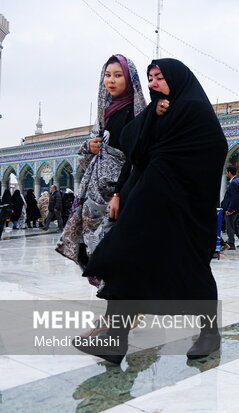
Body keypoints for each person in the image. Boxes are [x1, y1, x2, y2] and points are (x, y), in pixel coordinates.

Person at [78, 58, 228, 363]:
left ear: (176, 78)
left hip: (182, 210)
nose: (153, 83)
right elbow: (134, 145)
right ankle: (116, 340)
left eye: (159, 77)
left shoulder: (194, 110)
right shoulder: (157, 110)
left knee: (192, 269)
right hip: (147, 204)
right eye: (150, 78)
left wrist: (172, 171)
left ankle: (209, 333)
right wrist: (153, 118)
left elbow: (213, 150)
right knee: (127, 262)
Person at [56, 54, 149, 278]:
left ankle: (124, 308)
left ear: (130, 79)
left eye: (118, 75)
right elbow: (87, 158)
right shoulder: (104, 114)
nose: (111, 80)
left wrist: (119, 192)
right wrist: (90, 146)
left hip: (119, 194)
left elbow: (137, 158)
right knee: (94, 251)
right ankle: (113, 306)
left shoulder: (137, 115)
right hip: (95, 196)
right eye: (107, 75)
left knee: (113, 251)